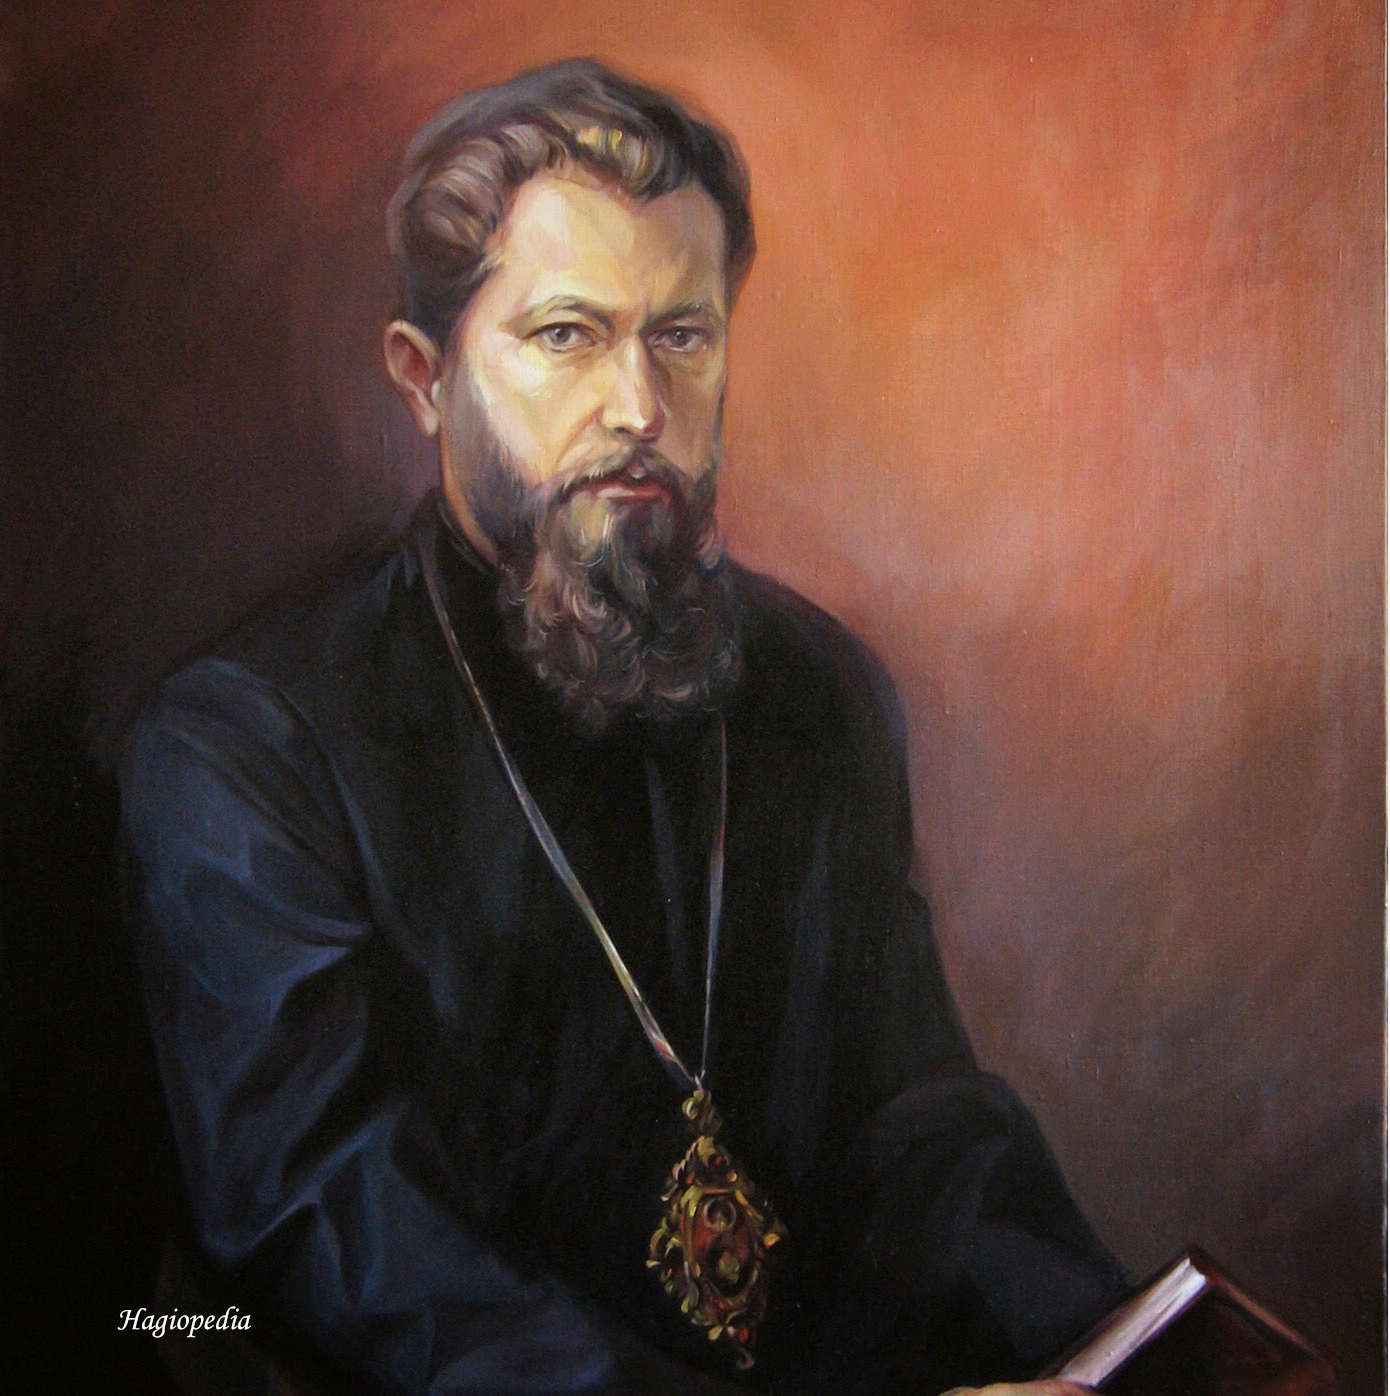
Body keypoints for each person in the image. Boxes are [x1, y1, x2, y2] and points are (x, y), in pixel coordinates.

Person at [119, 60, 1128, 1394]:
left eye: (683, 336)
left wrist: (1115, 1351)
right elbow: (346, 1235)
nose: (640, 408)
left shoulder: (815, 696)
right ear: (424, 379)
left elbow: (920, 1127)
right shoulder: (246, 746)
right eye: (567, 336)